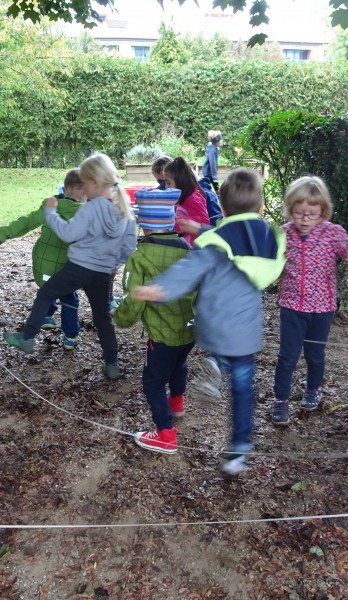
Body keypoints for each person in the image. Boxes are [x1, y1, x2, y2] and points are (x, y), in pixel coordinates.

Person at [130, 168, 286, 474]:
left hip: (216, 325)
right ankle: (238, 451)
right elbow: (239, 237)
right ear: (260, 208)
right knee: (243, 393)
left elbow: (192, 266)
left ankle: (217, 363)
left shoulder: (218, 242)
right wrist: (202, 227)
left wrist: (161, 288)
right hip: (247, 333)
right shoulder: (267, 238)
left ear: (223, 208)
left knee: (221, 356)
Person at [5, 153, 137, 380]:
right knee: (103, 319)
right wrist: (115, 264)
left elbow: (67, 234)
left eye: (84, 184)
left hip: (79, 268)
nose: (83, 190)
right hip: (103, 273)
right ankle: (112, 364)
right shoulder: (125, 211)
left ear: (94, 182)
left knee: (46, 293)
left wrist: (51, 212)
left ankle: (27, 337)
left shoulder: (90, 208)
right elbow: (129, 246)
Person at [271, 175, 348, 426]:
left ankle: (313, 389)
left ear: (323, 211)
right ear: (289, 209)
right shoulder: (284, 234)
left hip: (322, 308)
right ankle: (280, 400)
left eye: (312, 214)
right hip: (292, 306)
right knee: (287, 356)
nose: (305, 219)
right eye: (299, 213)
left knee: (314, 354)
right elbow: (266, 259)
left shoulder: (333, 233)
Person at [112, 195, 195, 454]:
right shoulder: (189, 249)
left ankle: (165, 435)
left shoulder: (139, 257)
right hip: (190, 329)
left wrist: (119, 316)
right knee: (179, 364)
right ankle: (176, 403)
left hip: (162, 334)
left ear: (143, 223)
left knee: (152, 382)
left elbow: (134, 300)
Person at [0, 169, 87, 351]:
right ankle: (70, 337)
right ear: (84, 193)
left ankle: (47, 316)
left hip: (42, 263)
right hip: (66, 266)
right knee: (69, 299)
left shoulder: (49, 206)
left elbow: (27, 222)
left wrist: (2, 234)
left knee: (46, 290)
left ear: (65, 188)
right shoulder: (84, 213)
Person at [163, 157, 210, 246]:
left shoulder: (192, 199)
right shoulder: (185, 197)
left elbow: (204, 221)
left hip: (195, 246)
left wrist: (180, 223)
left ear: (181, 181)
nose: (166, 186)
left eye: (168, 183)